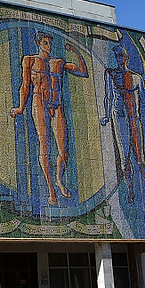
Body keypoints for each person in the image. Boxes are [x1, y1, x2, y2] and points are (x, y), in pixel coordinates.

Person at [10, 31, 88, 205]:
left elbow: (83, 72)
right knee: (45, 147)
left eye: (50, 43)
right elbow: (25, 85)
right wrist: (21, 107)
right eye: (45, 43)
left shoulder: (58, 63)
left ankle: (59, 180)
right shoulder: (30, 60)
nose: (49, 46)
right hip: (40, 102)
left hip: (57, 104)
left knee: (63, 151)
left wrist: (76, 51)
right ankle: (51, 190)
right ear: (39, 44)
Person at [100, 45, 145, 203]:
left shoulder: (136, 78)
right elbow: (109, 96)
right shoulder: (111, 74)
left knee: (140, 159)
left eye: (120, 55)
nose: (118, 59)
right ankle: (131, 190)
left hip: (134, 120)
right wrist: (107, 115)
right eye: (116, 56)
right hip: (120, 121)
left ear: (126, 57)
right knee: (125, 161)